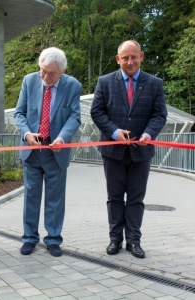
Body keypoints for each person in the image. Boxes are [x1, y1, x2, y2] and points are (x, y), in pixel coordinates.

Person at [90, 40, 167, 259]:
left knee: (136, 198)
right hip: (113, 152)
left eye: (134, 57)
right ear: (118, 59)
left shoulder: (154, 83)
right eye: (125, 58)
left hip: (141, 152)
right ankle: (115, 239)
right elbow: (97, 112)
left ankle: (134, 240)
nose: (130, 62)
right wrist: (114, 132)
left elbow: (159, 114)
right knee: (114, 197)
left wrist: (149, 134)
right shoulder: (105, 82)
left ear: (141, 56)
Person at [14, 47, 81, 257]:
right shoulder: (29, 81)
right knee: (31, 196)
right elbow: (19, 113)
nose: (45, 76)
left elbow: (74, 117)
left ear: (62, 71)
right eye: (43, 71)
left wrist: (62, 137)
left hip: (56, 150)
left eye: (51, 73)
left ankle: (53, 239)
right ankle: (29, 238)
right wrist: (27, 134)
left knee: (55, 198)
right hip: (32, 150)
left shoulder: (73, 86)